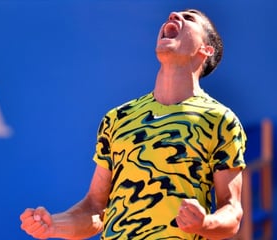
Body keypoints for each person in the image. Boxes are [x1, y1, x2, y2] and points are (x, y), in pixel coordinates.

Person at [20, 8, 246, 240]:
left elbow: (232, 211)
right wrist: (54, 225)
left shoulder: (220, 120)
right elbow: (96, 209)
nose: (173, 15)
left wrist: (205, 223)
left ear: (205, 50)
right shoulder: (118, 118)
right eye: (172, 15)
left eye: (189, 18)